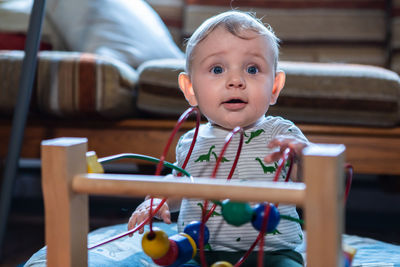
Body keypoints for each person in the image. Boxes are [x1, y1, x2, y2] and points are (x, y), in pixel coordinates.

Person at [128, 10, 308, 267]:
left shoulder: (281, 134)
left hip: (271, 255)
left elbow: (315, 183)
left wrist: (303, 158)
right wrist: (157, 200)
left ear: (275, 87)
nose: (235, 81)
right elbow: (181, 186)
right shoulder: (190, 141)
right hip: (198, 252)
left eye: (252, 68)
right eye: (217, 69)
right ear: (190, 89)